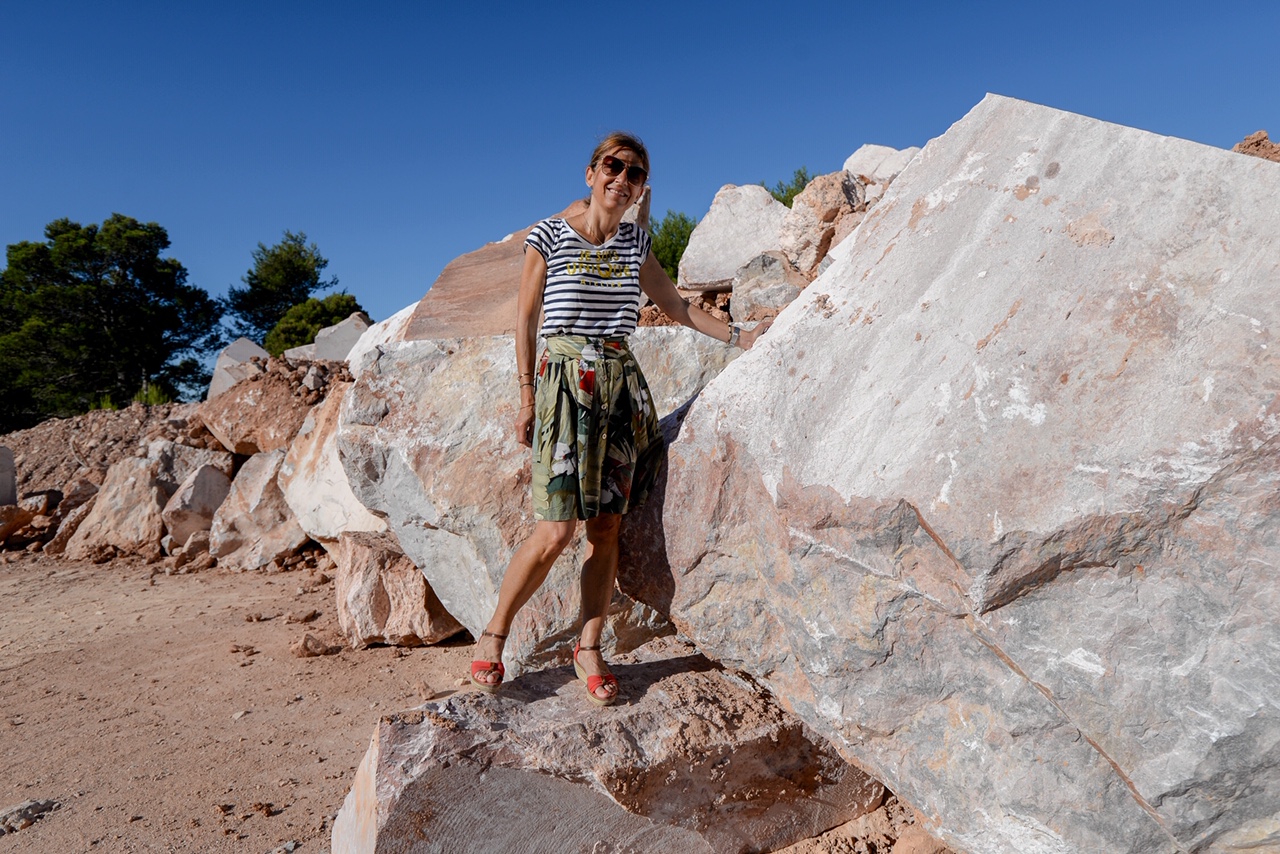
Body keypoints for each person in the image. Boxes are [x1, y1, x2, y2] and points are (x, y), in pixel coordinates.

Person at [470, 132, 769, 706]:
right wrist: (527, 398)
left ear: (639, 189)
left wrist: (740, 336)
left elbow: (676, 307)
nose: (622, 178)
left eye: (634, 173)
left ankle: (589, 646)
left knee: (606, 529)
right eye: (613, 166)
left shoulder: (635, 244)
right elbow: (525, 318)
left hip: (618, 387)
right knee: (555, 530)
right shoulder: (550, 236)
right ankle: (495, 633)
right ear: (590, 173)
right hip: (563, 384)